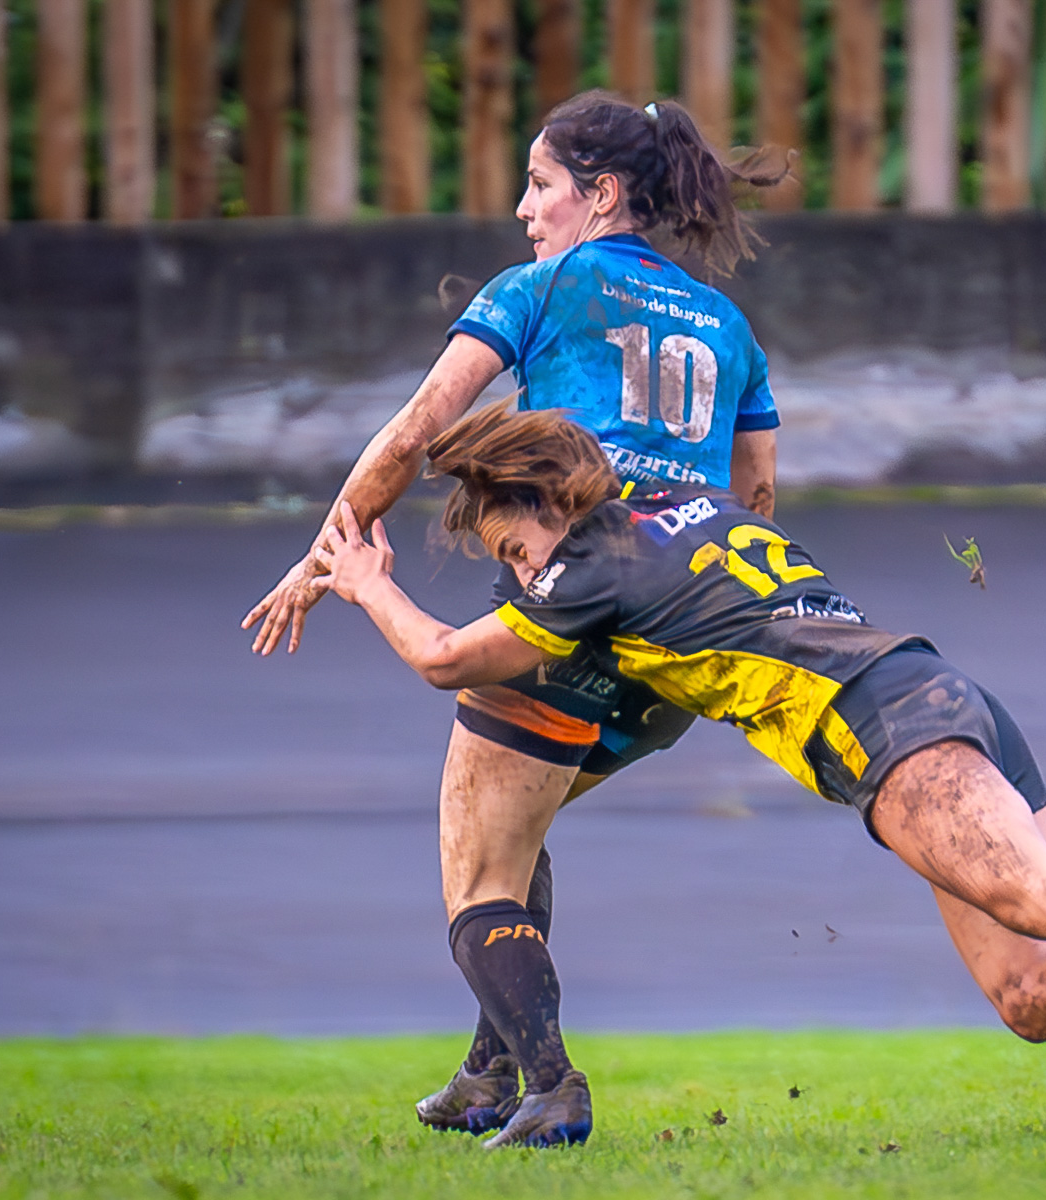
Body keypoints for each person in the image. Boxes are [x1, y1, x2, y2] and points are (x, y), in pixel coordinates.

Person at [308, 405, 1046, 1146]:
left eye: (514, 545)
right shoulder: (682, 508)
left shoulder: (590, 570)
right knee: (1025, 989)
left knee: (1036, 892)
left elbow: (446, 658)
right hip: (937, 692)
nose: (522, 572)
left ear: (549, 504)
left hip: (883, 728)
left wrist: (362, 582)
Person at [239, 91, 787, 1135]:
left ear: (602, 193)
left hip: (563, 619)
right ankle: (487, 1075)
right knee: (515, 840)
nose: (526, 209)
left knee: (476, 869)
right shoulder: (726, 324)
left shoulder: (541, 287)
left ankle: (551, 1088)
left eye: (541, 186)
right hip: (683, 634)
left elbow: (416, 433)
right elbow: (755, 499)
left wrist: (328, 551)